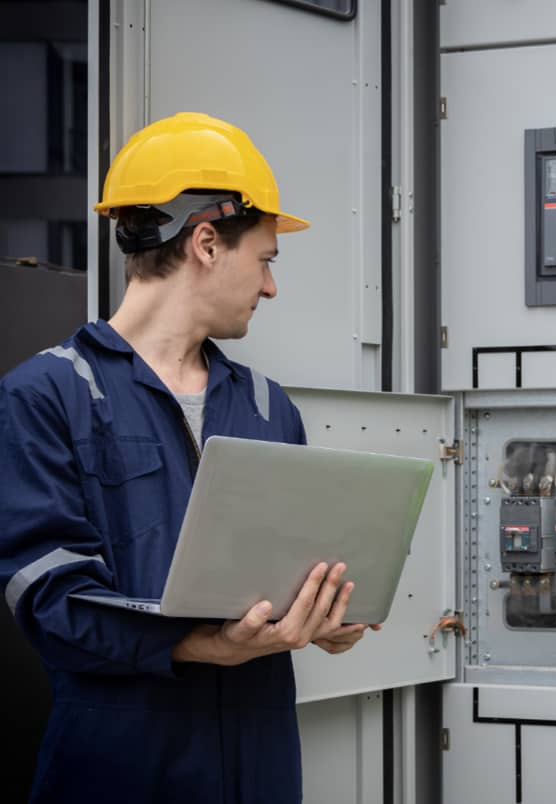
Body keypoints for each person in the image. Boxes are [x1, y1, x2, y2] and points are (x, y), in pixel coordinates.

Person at [0, 111, 376, 804]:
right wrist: (208, 645)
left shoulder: (268, 405)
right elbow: (50, 601)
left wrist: (321, 614)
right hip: (120, 769)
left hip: (259, 766)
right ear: (206, 242)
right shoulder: (45, 396)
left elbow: (284, 569)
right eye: (265, 260)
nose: (270, 287)